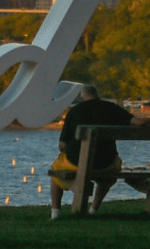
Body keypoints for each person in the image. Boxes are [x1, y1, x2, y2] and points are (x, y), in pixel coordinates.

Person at [50, 85, 146, 218]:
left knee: (55, 174)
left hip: (76, 164)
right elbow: (138, 122)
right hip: (106, 163)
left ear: (82, 97)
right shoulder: (111, 108)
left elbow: (62, 146)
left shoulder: (74, 111)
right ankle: (93, 209)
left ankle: (55, 213)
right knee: (109, 176)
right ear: (98, 95)